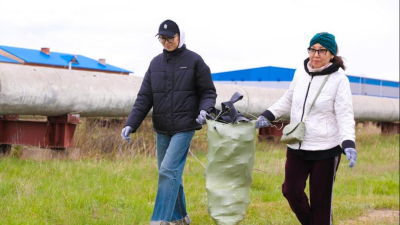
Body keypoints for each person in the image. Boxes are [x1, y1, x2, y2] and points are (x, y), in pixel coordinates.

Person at [121, 19, 217, 225]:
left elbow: (208, 92)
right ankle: (181, 218)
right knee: (170, 174)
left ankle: (160, 220)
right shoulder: (155, 63)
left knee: (168, 171)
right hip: (162, 128)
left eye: (170, 38)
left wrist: (204, 109)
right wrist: (131, 123)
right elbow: (144, 97)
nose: (166, 42)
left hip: (185, 127)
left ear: (180, 36)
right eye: (162, 39)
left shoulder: (195, 61)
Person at [255, 32, 357, 225]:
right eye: (313, 50)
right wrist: (268, 115)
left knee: (321, 204)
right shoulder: (300, 73)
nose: (316, 55)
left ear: (331, 54)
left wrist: (348, 143)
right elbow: (288, 99)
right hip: (297, 145)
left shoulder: (339, 79)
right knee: (290, 192)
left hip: (326, 149)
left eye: (322, 51)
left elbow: (344, 114)